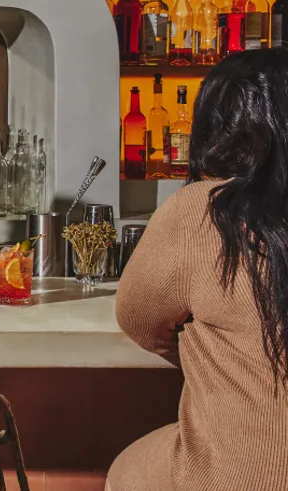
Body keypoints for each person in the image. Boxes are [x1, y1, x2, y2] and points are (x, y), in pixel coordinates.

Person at [108, 48, 288, 491]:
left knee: (123, 471)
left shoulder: (203, 210)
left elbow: (139, 319)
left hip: (237, 476)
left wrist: (208, 352)